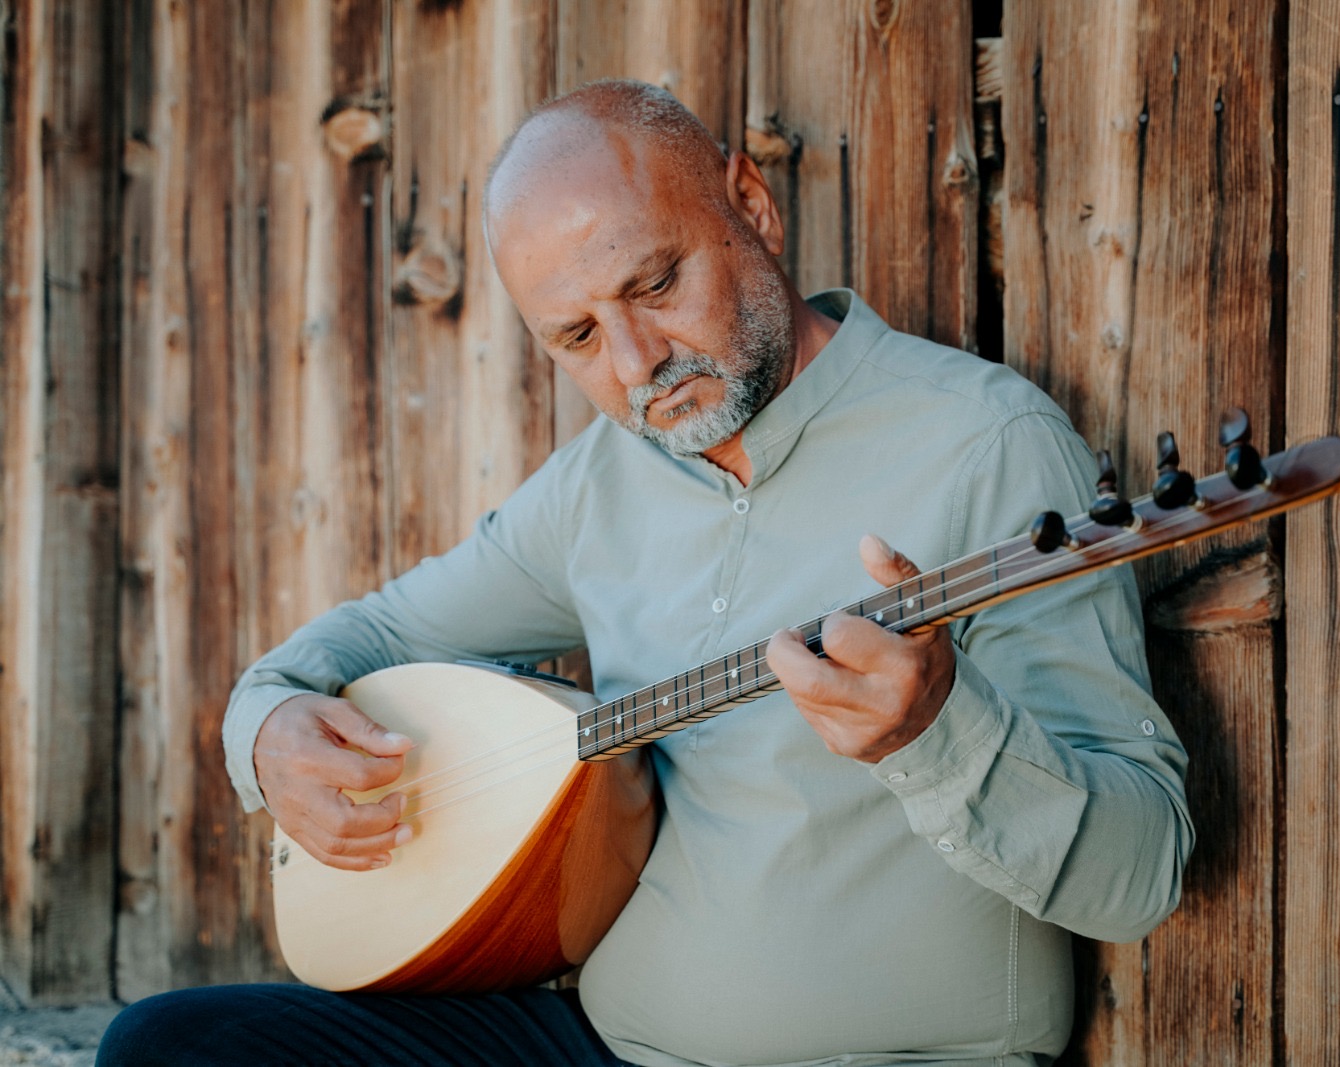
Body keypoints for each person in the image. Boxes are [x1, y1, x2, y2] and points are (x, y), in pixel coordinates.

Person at [100, 79, 1192, 1067]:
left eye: (655, 283)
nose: (634, 365)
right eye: (576, 336)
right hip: (601, 1040)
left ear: (751, 206)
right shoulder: (599, 484)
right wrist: (267, 734)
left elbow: (1140, 871)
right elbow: (361, 642)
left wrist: (936, 732)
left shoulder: (985, 441)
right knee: (172, 1045)